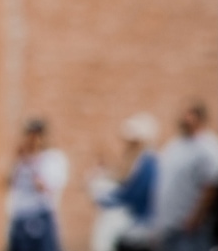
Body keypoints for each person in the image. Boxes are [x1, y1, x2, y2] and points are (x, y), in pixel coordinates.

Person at [144, 100, 218, 251]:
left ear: (199, 118)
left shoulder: (207, 147)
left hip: (189, 230)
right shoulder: (175, 144)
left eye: (189, 114)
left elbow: (212, 184)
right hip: (168, 226)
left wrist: (196, 217)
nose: (184, 118)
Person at [90, 113, 158, 251]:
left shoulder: (148, 163)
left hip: (139, 223)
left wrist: (106, 197)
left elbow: (134, 195)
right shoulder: (140, 160)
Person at [5, 119, 69, 251]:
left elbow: (44, 187)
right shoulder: (20, 159)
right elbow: (6, 182)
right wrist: (16, 160)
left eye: (35, 135)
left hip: (40, 214)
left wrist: (31, 161)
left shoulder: (52, 159)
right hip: (19, 215)